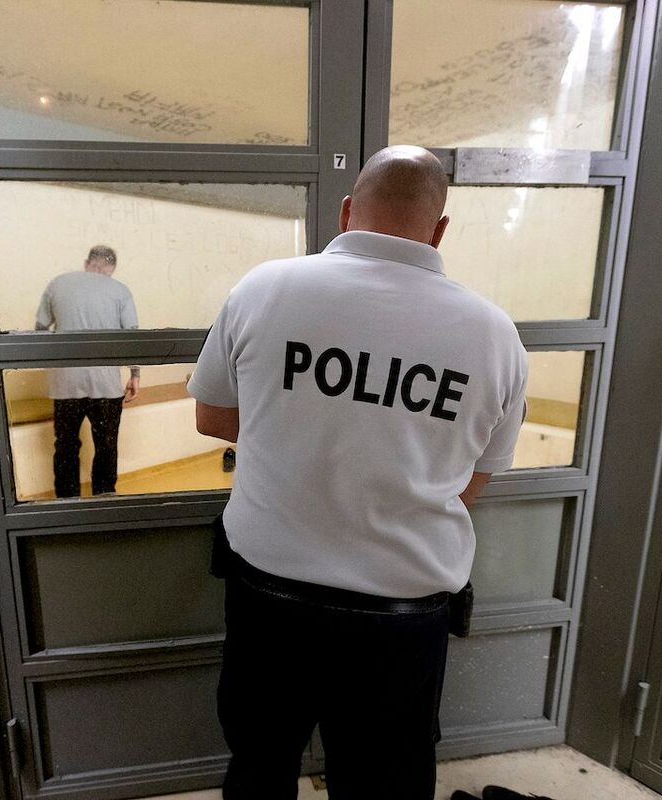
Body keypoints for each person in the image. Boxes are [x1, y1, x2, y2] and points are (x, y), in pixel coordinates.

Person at [187, 146, 528, 799]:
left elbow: (212, 416)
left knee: (259, 767)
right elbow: (473, 480)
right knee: (384, 787)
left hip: (269, 600)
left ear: (347, 211)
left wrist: (296, 434)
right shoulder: (492, 334)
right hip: (400, 621)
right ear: (440, 229)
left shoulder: (265, 288)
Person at [34, 245, 140, 497]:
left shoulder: (57, 284)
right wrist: (135, 375)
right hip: (106, 385)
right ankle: (104, 498)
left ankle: (67, 501)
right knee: (106, 445)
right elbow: (132, 338)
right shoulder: (120, 291)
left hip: (65, 384)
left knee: (66, 445)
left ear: (87, 263)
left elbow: (39, 330)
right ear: (111, 268)